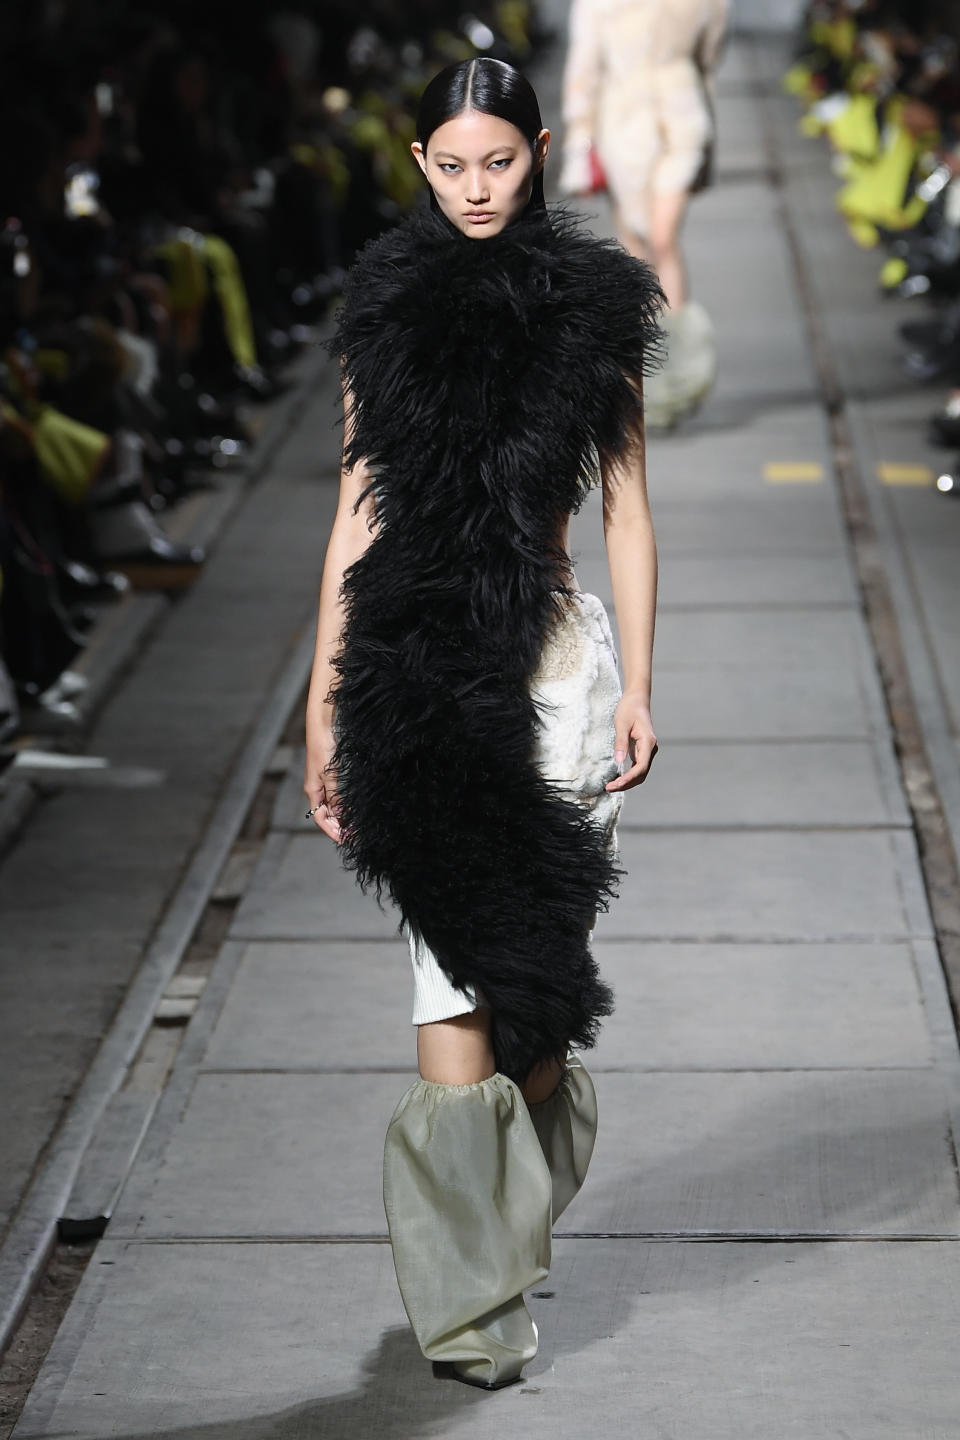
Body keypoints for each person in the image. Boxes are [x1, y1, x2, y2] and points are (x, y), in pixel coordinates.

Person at [303, 55, 663, 1390]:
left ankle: (503, 1232)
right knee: (449, 978)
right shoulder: (387, 310)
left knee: (535, 1006)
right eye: (450, 165)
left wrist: (638, 683)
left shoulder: (593, 311)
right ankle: (471, 1308)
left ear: (540, 149)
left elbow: (625, 507)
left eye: (498, 162)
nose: (474, 187)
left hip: (559, 673)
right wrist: (320, 704)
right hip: (417, 669)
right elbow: (356, 514)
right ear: (417, 163)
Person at [559, 0, 729, 427]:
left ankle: (679, 367)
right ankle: (642, 377)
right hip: (622, 119)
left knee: (662, 237)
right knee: (634, 249)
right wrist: (580, 139)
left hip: (681, 112)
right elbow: (584, 66)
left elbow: (709, 53)